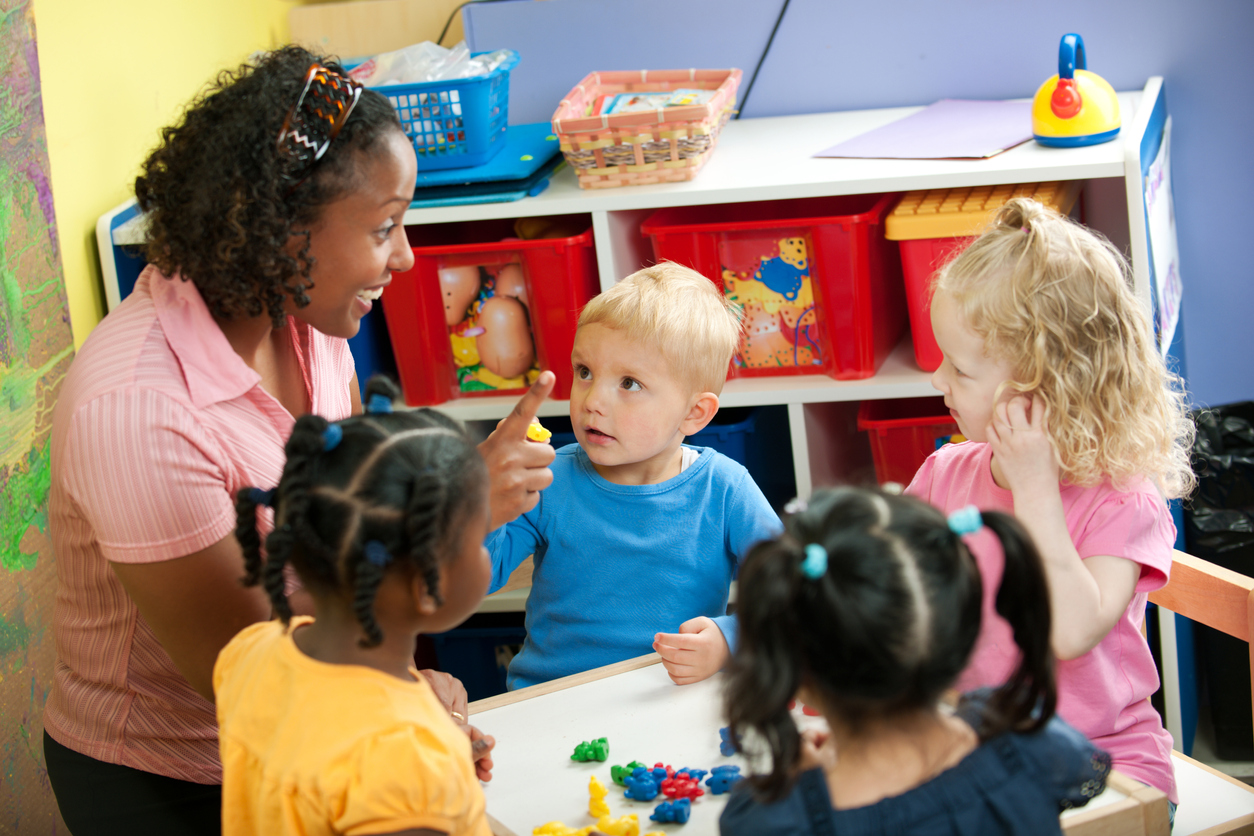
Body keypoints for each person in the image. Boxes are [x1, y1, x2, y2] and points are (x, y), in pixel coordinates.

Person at [42, 47, 554, 835]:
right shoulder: (137, 411)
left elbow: (345, 531)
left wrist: (411, 692)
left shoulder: (310, 322)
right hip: (177, 778)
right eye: (385, 226)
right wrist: (457, 513)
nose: (408, 256)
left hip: (318, 734)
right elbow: (251, 666)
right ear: (280, 231)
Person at [906, 197, 1193, 815]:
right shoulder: (944, 474)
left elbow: (1068, 630)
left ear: (1041, 389)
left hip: (1105, 765)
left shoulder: (1124, 499)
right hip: (976, 752)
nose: (936, 380)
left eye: (958, 367)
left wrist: (1035, 489)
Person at [719, 488, 1110, 835]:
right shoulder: (1027, 740)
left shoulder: (777, 820)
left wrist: (801, 785)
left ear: (793, 676)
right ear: (960, 631)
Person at [216, 379, 494, 836]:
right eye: (480, 534)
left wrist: (437, 760)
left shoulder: (253, 649)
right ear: (428, 584)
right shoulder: (402, 761)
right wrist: (424, 774)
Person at [486, 263, 783, 689]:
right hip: (553, 699)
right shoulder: (549, 477)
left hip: (669, 699)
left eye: (629, 383)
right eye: (584, 372)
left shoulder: (725, 489)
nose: (593, 401)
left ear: (694, 413)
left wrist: (729, 641)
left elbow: (793, 595)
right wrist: (485, 497)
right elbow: (480, 575)